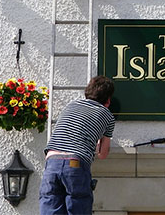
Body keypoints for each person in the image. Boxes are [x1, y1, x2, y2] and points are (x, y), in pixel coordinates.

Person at [39, 76, 115, 215]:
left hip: (52, 161)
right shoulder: (107, 115)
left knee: (50, 204)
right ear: (108, 100)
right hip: (75, 163)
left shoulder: (71, 105)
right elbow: (102, 154)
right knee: (78, 205)